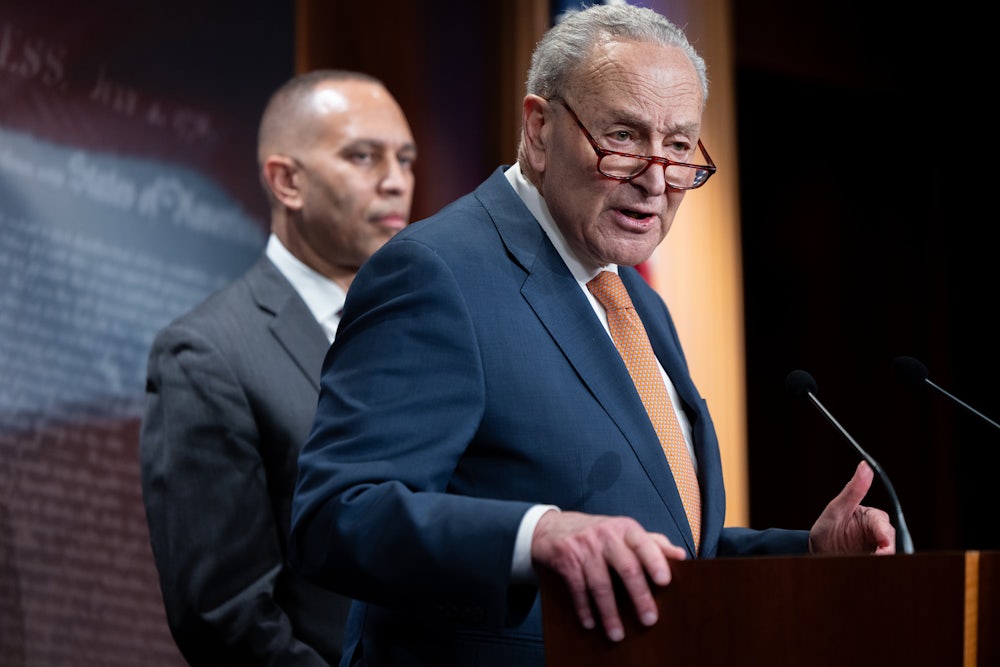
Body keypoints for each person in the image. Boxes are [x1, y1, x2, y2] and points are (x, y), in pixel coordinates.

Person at [288, 6, 895, 667]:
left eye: (679, 146)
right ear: (539, 129)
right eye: (625, 138)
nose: (657, 179)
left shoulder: (636, 301)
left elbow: (659, 542)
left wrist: (805, 551)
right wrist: (534, 534)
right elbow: (335, 516)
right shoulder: (436, 273)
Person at [139, 69, 417, 666]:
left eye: (406, 159)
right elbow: (224, 617)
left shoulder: (426, 330)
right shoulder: (207, 356)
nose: (396, 183)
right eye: (364, 157)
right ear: (287, 181)